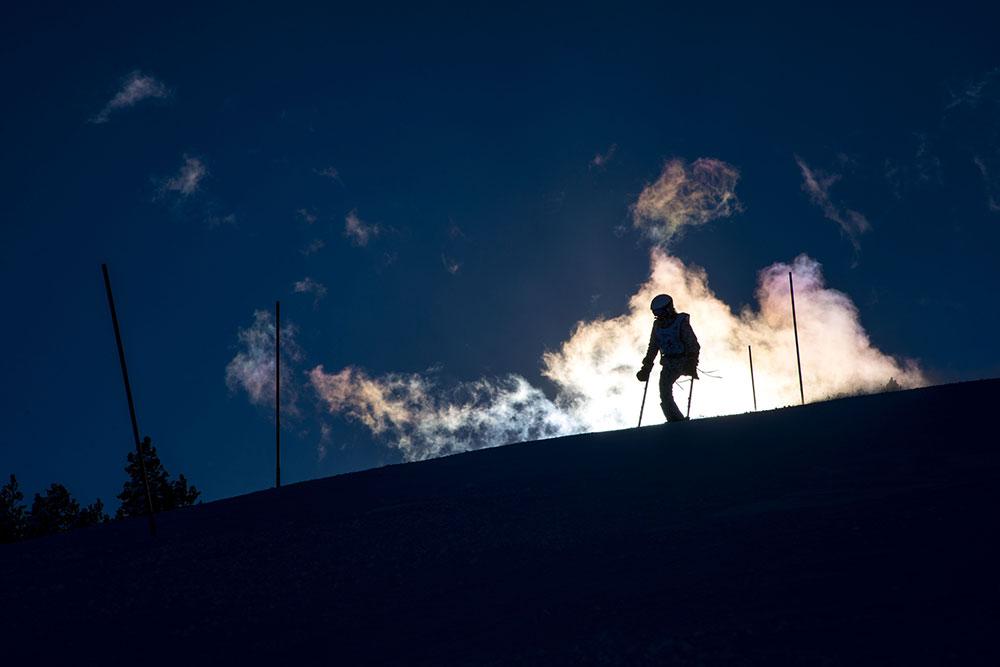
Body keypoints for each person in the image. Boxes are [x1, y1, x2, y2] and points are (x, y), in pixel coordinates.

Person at [636, 294, 700, 422]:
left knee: (665, 390)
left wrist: (692, 361)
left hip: (682, 360)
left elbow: (692, 343)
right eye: (656, 312)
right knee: (664, 392)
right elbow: (653, 347)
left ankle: (676, 420)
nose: (658, 315)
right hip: (668, 363)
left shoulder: (680, 322)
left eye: (660, 312)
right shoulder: (657, 326)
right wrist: (646, 368)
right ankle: (675, 419)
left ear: (668, 309)